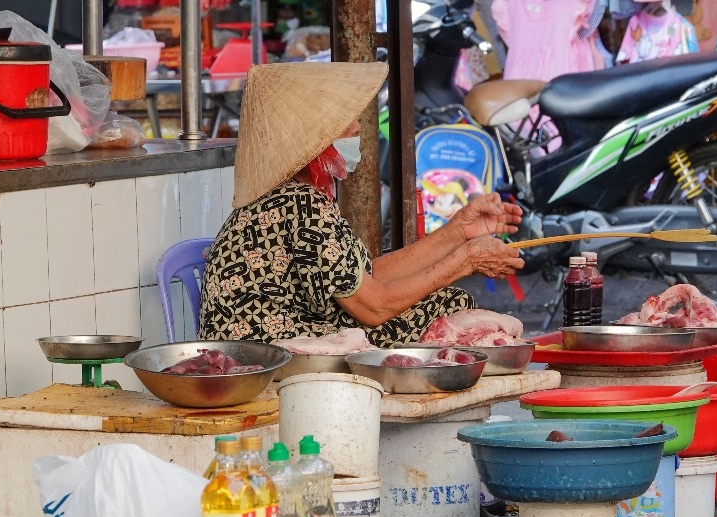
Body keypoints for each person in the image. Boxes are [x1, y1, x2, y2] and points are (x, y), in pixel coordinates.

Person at [198, 62, 524, 347]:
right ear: (312, 138)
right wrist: (466, 260)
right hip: (262, 349)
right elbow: (374, 307)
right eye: (343, 121)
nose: (356, 127)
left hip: (294, 332)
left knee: (447, 304)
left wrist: (458, 232)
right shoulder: (299, 203)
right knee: (446, 311)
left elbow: (366, 278)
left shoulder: (298, 195)